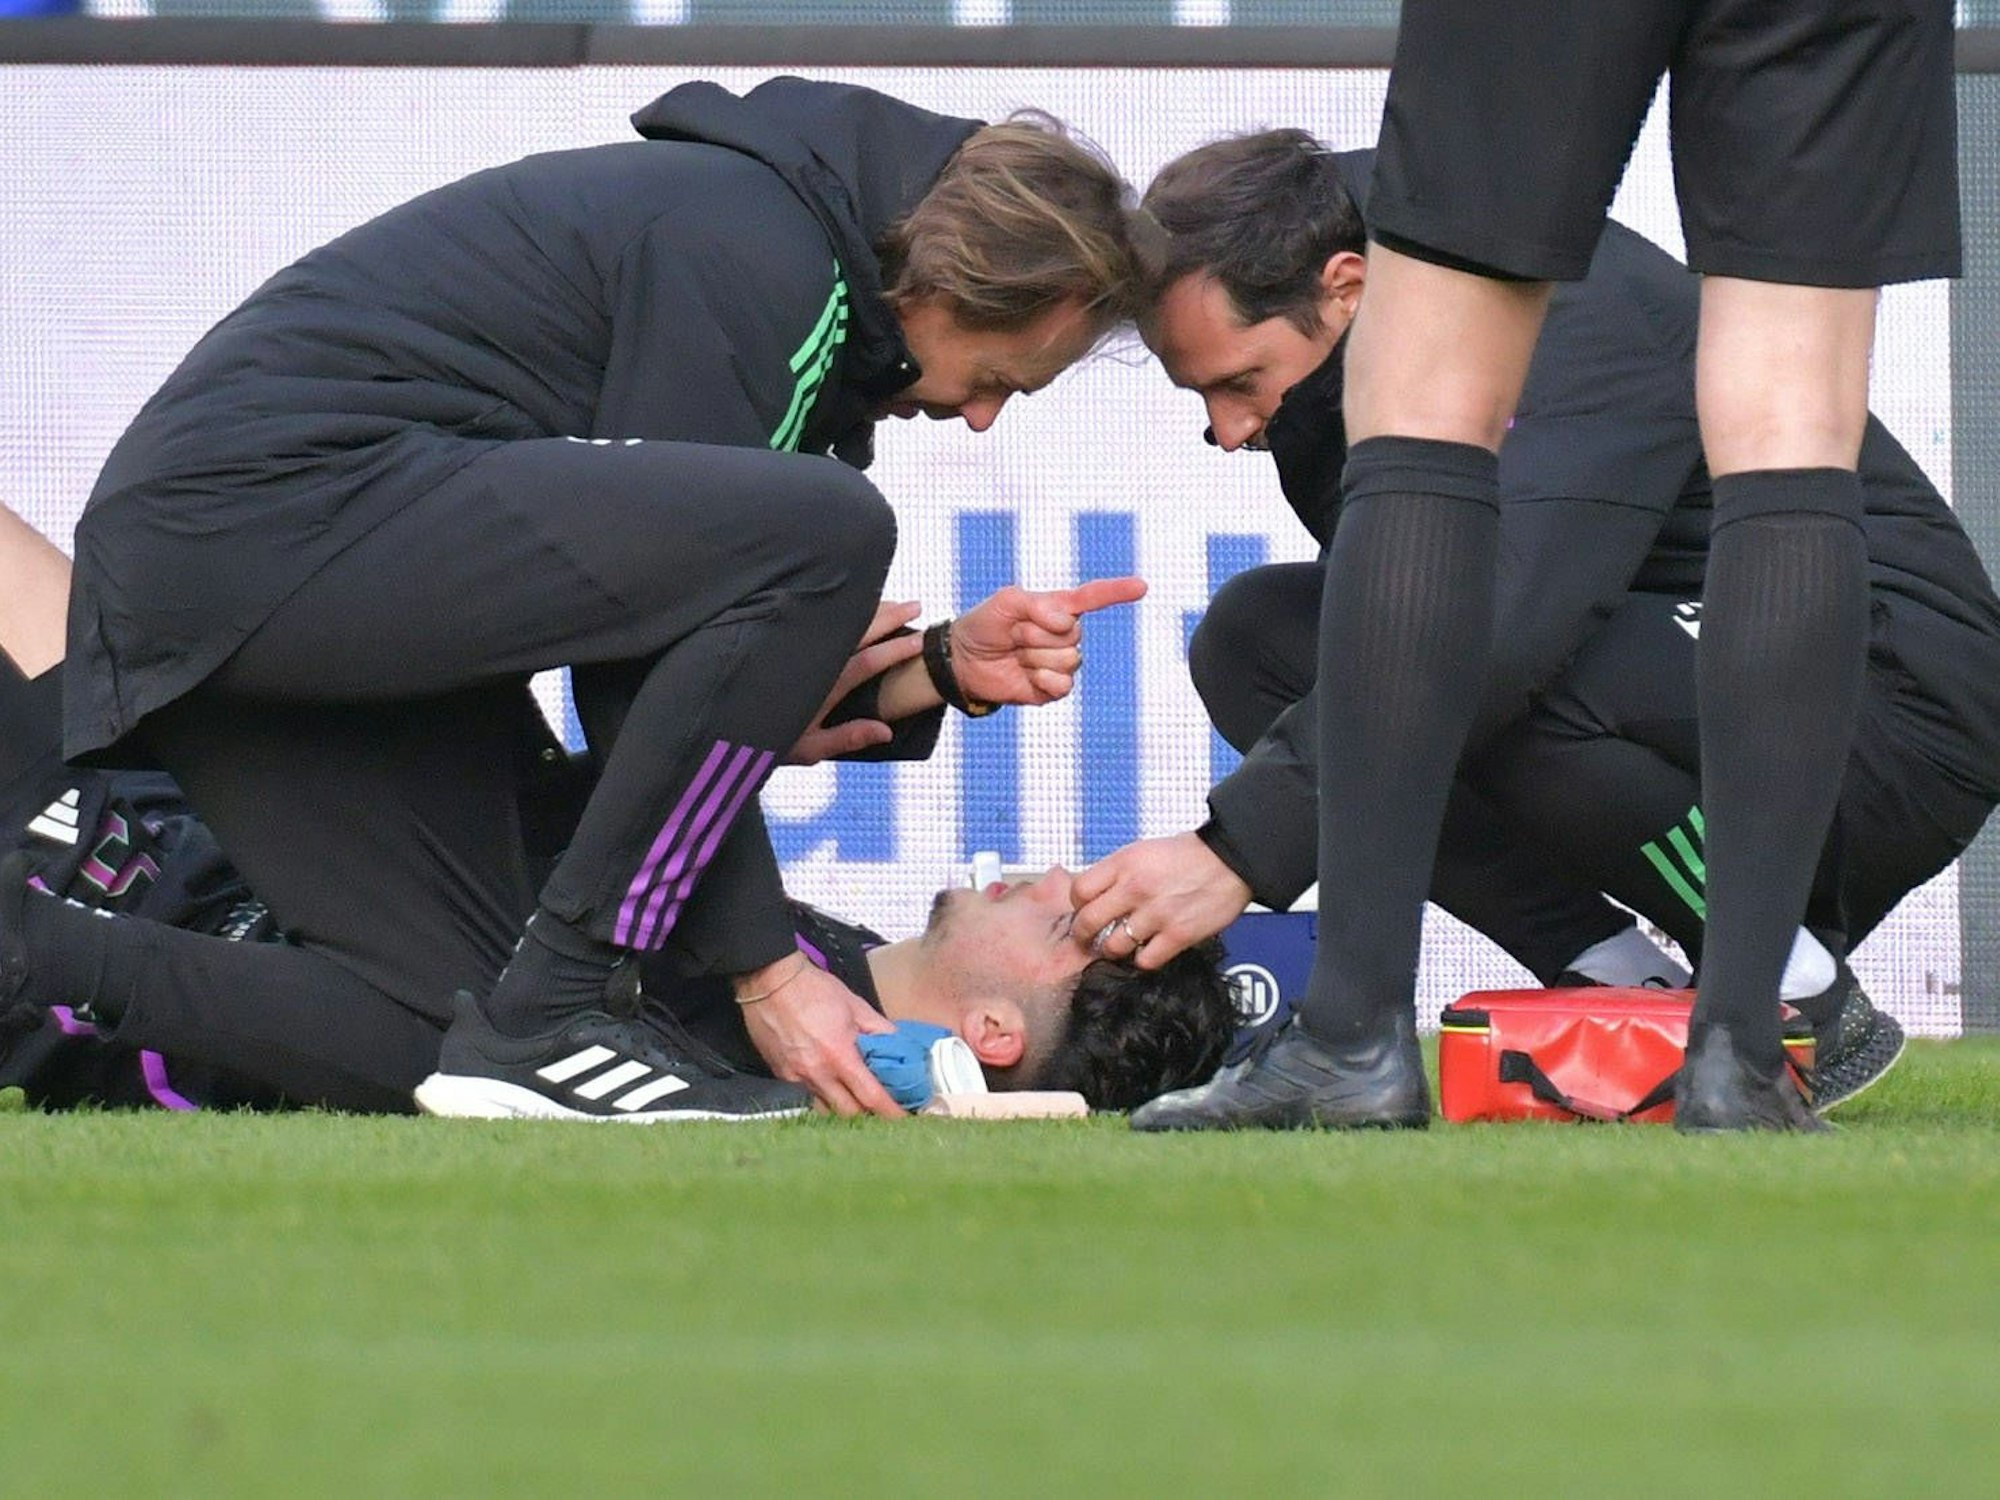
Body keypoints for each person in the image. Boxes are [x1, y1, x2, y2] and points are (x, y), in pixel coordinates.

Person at [53, 77, 1148, 1123]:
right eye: (1002, 379)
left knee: (458, 1039)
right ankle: (567, 994)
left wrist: (932, 670)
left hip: (233, 574)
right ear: (954, 289)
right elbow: (641, 669)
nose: (981, 419)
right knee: (835, 529)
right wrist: (767, 972)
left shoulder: (795, 287)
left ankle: (31, 951)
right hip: (260, 529)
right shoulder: (761, 257)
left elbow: (688, 680)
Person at [1075, 5, 1962, 1132]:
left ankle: (1772, 994)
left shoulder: (1567, 322)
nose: (1230, 429)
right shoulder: (1314, 391)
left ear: (1346, 287)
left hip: (1897, 713)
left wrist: (1237, 847)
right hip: (1741, 664)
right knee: (1268, 639)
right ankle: (1645, 999)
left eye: (1240, 382)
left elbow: (1501, 629)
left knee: (1485, 622)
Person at [1, 506, 1237, 1114]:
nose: (1063, 877)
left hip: (110, 962)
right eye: (1094, 886)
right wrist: (898, 690)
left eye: (1073, 928)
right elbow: (547, 832)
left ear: (990, 1033)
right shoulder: (804, 953)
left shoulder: (780, 1070)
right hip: (193, 826)